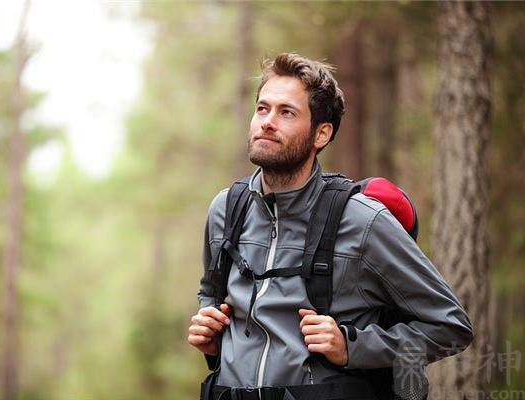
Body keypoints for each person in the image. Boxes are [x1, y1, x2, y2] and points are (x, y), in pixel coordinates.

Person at [187, 53, 473, 400]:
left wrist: (352, 346)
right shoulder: (226, 210)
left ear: (321, 133)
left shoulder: (363, 221)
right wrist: (211, 335)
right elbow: (210, 292)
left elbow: (450, 327)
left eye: (286, 112)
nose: (267, 122)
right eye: (262, 109)